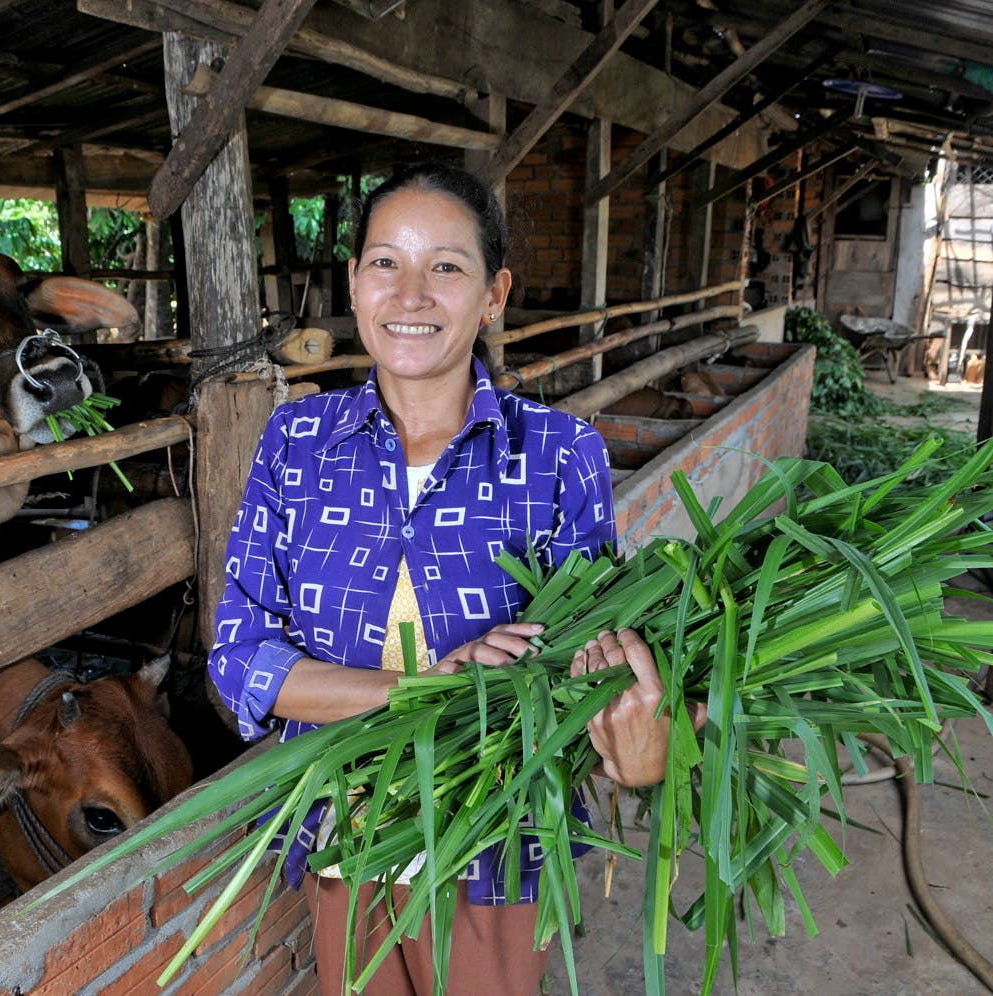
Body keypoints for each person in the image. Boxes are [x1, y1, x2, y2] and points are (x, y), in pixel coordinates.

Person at [208, 162, 676, 995]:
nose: (411, 294)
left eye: (447, 267)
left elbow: (589, 668)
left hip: (496, 846)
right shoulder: (297, 441)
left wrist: (643, 743)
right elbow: (240, 659)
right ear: (355, 282)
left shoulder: (557, 453)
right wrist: (425, 690)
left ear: (494, 295)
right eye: (386, 262)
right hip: (342, 840)